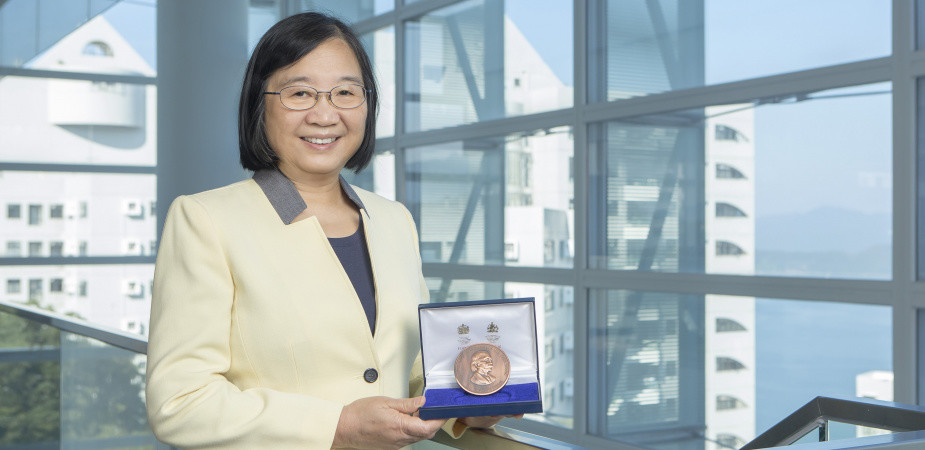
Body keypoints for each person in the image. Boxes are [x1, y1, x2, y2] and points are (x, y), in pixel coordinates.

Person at [145, 12, 510, 449]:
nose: (324, 114)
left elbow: (409, 370)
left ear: (367, 104)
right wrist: (336, 426)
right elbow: (179, 404)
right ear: (260, 105)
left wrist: (469, 402)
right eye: (300, 93)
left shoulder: (394, 220)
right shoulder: (205, 219)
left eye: (344, 93)